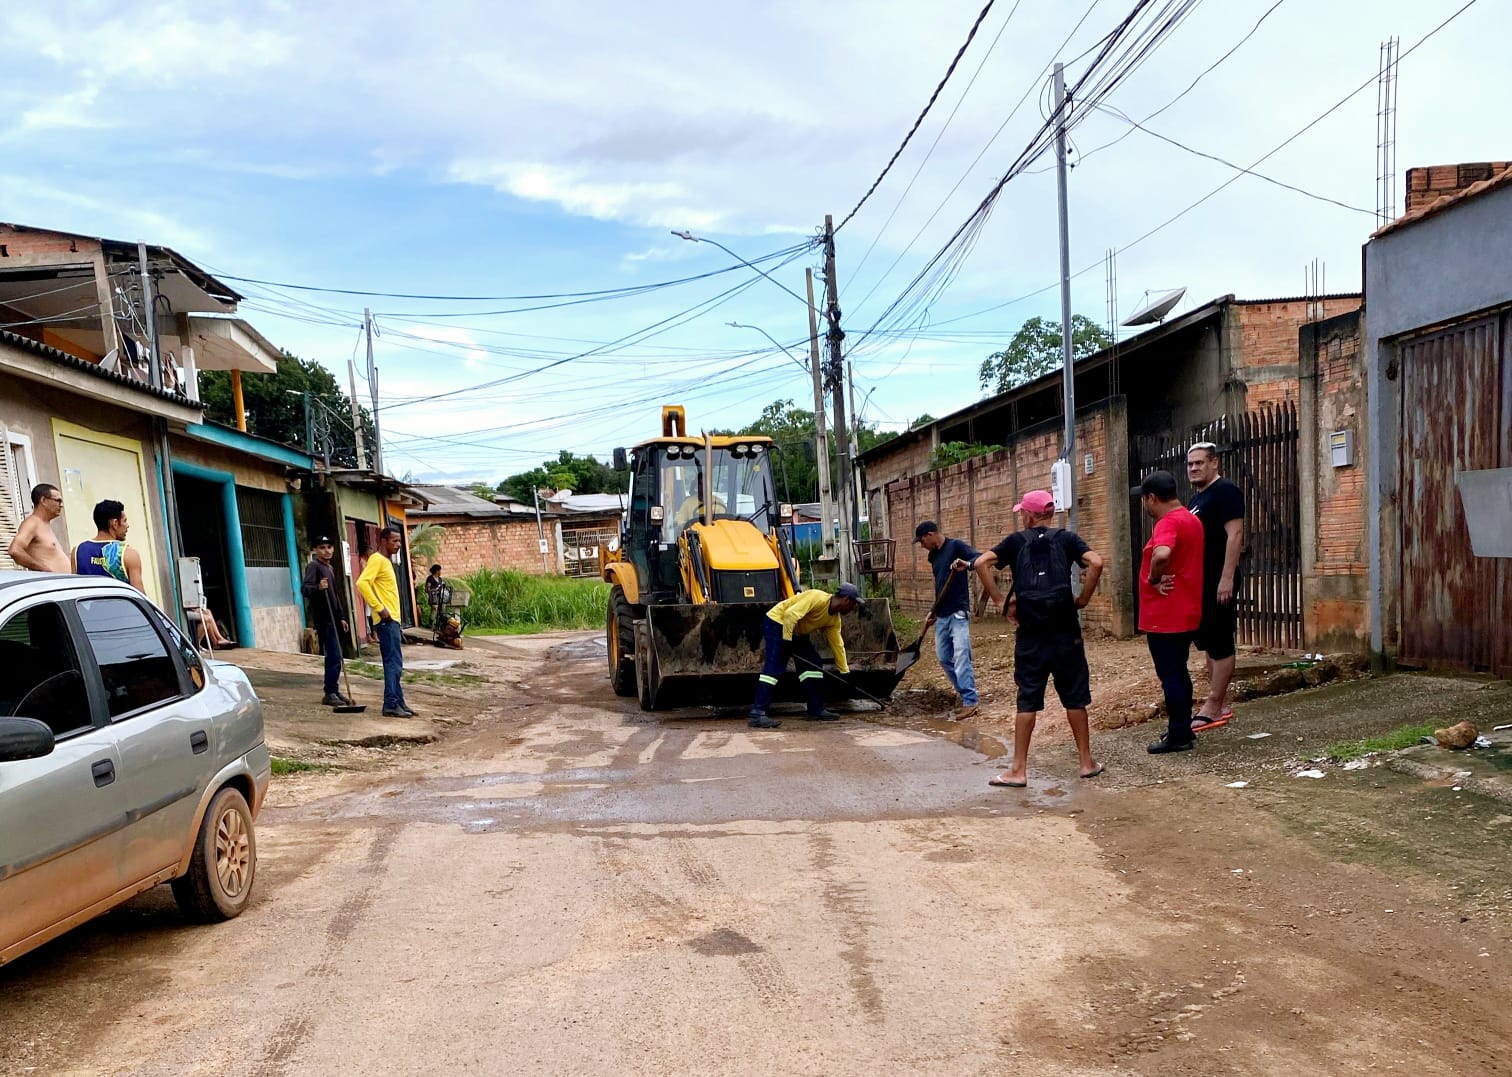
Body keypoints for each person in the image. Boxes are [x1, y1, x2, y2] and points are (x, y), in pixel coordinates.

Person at [970, 490, 1105, 786]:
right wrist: (1081, 599)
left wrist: (998, 601)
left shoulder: (1017, 541)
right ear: (1050, 514)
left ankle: (1018, 770)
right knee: (1074, 698)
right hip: (1066, 632)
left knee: (1027, 700)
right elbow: (1096, 563)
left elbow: (981, 563)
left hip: (1031, 634)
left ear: (1028, 515)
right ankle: (1086, 762)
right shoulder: (1067, 539)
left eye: (1022, 512)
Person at [1132, 470, 1206, 754]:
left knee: (1171, 674)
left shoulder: (1168, 523)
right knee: (1179, 672)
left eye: (1144, 500)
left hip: (1166, 614)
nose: (1145, 505)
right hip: (1186, 609)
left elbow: (1162, 554)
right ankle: (1181, 727)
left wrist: (1152, 578)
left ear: (1152, 498)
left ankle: (1179, 735)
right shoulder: (1191, 519)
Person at [1186, 441, 1245, 732]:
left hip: (1219, 580)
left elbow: (1234, 535)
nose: (1194, 468)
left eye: (1200, 462)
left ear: (1214, 463)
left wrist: (1227, 577)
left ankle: (1213, 702)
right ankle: (1219, 703)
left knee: (1221, 640)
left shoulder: (1226, 492)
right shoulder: (1197, 499)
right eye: (1190, 464)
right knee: (1209, 641)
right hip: (1201, 582)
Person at [748, 582, 865, 730]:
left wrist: (845, 672)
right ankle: (757, 714)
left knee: (813, 663)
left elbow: (837, 644)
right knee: (775, 666)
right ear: (847, 600)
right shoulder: (817, 597)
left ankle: (816, 708)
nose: (853, 608)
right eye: (854, 604)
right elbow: (790, 614)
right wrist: (786, 639)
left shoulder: (833, 619)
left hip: (796, 631)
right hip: (777, 622)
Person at [913, 520, 981, 721]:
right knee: (944, 657)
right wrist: (933, 611)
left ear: (930, 534)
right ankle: (964, 693)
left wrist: (965, 564)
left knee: (961, 656)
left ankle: (970, 700)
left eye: (922, 541)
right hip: (941, 614)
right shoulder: (933, 556)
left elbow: (979, 558)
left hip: (958, 611)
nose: (922, 545)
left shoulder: (957, 547)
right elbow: (940, 585)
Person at [356, 527, 415, 718]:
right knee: (392, 664)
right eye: (394, 541)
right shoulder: (377, 560)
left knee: (396, 663)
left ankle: (399, 701)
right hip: (386, 621)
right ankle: (390, 703)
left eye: (399, 542)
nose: (398, 545)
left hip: (393, 621)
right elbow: (362, 583)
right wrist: (379, 608)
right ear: (383, 541)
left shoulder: (387, 562)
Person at [303, 536, 352, 707]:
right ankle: (329, 692)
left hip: (334, 619)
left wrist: (341, 617)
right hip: (324, 619)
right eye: (322, 547)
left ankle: (335, 689)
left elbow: (334, 596)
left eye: (329, 547)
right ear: (316, 550)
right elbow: (305, 589)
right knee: (333, 656)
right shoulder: (314, 566)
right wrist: (318, 588)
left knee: (337, 657)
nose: (327, 551)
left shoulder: (329, 568)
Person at [72, 499, 144, 590]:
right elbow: (139, 595)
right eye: (125, 521)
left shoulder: (77, 551)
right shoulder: (128, 554)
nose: (127, 525)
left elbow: (75, 590)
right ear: (115, 523)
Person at [7, 483, 70, 573]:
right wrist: (44, 569)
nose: (61, 505)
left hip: (61, 582)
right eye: (58, 501)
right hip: (49, 584)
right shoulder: (32, 523)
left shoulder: (44, 524)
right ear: (43, 500)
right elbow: (15, 550)